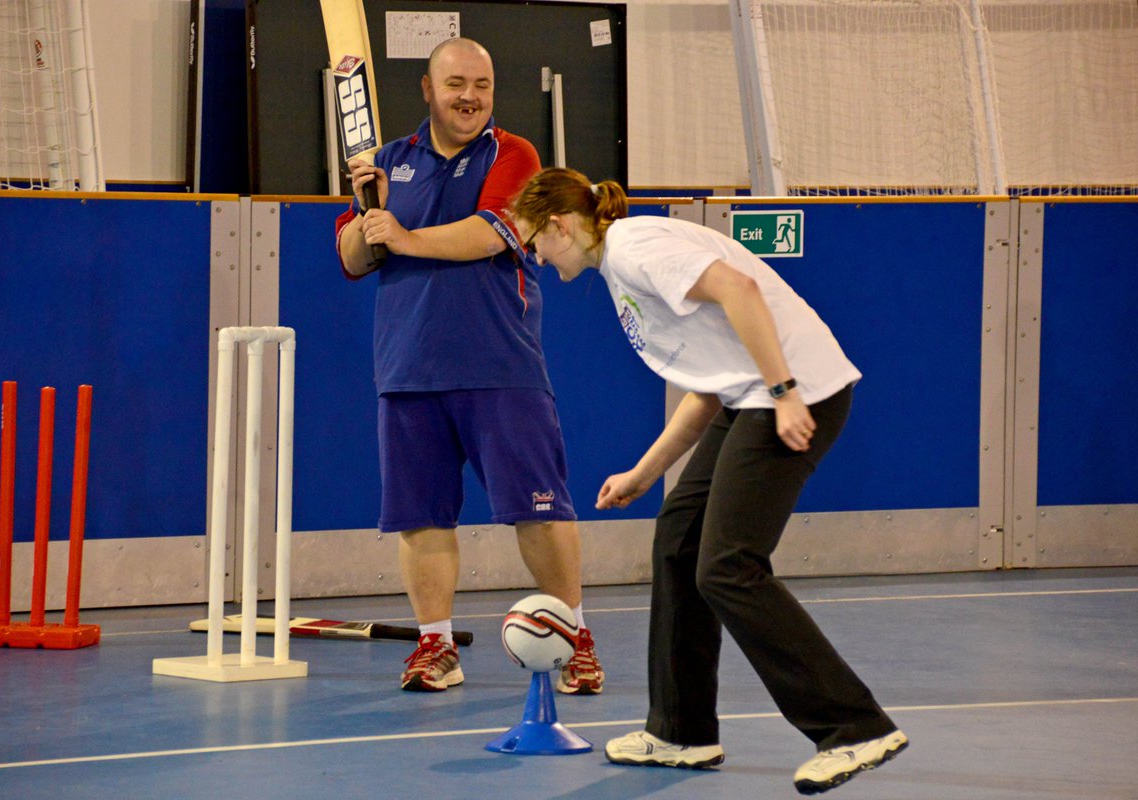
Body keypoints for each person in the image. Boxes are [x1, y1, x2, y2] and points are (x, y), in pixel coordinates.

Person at [510, 167, 908, 794]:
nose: (534, 255)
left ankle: (853, 727)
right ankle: (681, 731)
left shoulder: (638, 248)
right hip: (753, 395)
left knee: (727, 566)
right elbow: (711, 378)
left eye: (535, 240)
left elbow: (741, 291)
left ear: (561, 225)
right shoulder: (620, 264)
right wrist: (646, 472)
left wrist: (784, 391)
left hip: (794, 393)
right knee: (679, 539)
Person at [334, 40, 603, 695]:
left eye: (481, 84)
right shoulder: (389, 161)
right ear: (427, 89)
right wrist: (365, 207)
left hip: (500, 365)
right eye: (456, 83)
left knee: (540, 511)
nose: (470, 96)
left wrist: (401, 236)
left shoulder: (515, 156)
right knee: (422, 519)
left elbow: (492, 232)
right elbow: (350, 258)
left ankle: (573, 640)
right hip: (406, 369)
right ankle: (436, 648)